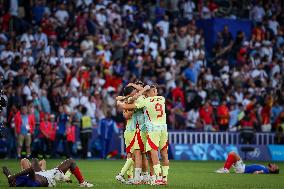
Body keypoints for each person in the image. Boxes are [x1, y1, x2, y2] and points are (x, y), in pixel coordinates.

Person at [118, 85, 169, 185]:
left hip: (152, 130)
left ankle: (156, 178)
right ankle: (163, 178)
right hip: (163, 129)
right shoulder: (162, 99)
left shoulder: (144, 101)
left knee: (151, 154)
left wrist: (120, 103)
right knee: (163, 154)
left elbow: (126, 106)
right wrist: (144, 90)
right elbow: (146, 92)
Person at [2, 158, 93, 187]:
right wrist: (13, 176)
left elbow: (4, 168)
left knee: (33, 160)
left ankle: (65, 176)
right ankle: (82, 182)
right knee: (71, 161)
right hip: (50, 176)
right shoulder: (33, 181)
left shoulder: (18, 181)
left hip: (43, 174)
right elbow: (30, 170)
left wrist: (9, 175)